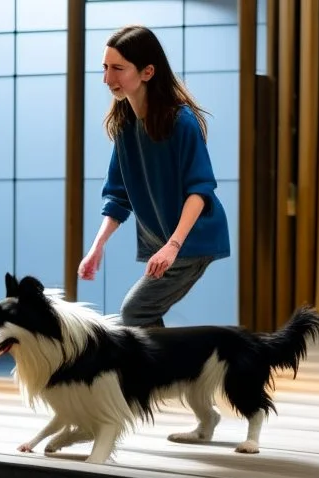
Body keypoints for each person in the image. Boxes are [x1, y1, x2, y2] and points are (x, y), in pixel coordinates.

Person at [78, 25, 231, 328]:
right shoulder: (124, 125)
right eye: (105, 68)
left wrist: (172, 246)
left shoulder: (181, 122)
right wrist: (97, 247)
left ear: (148, 72)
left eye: (118, 69)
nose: (107, 79)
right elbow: (118, 195)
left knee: (136, 311)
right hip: (165, 241)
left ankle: (169, 375)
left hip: (191, 240)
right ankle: (166, 375)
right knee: (141, 317)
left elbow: (199, 191)